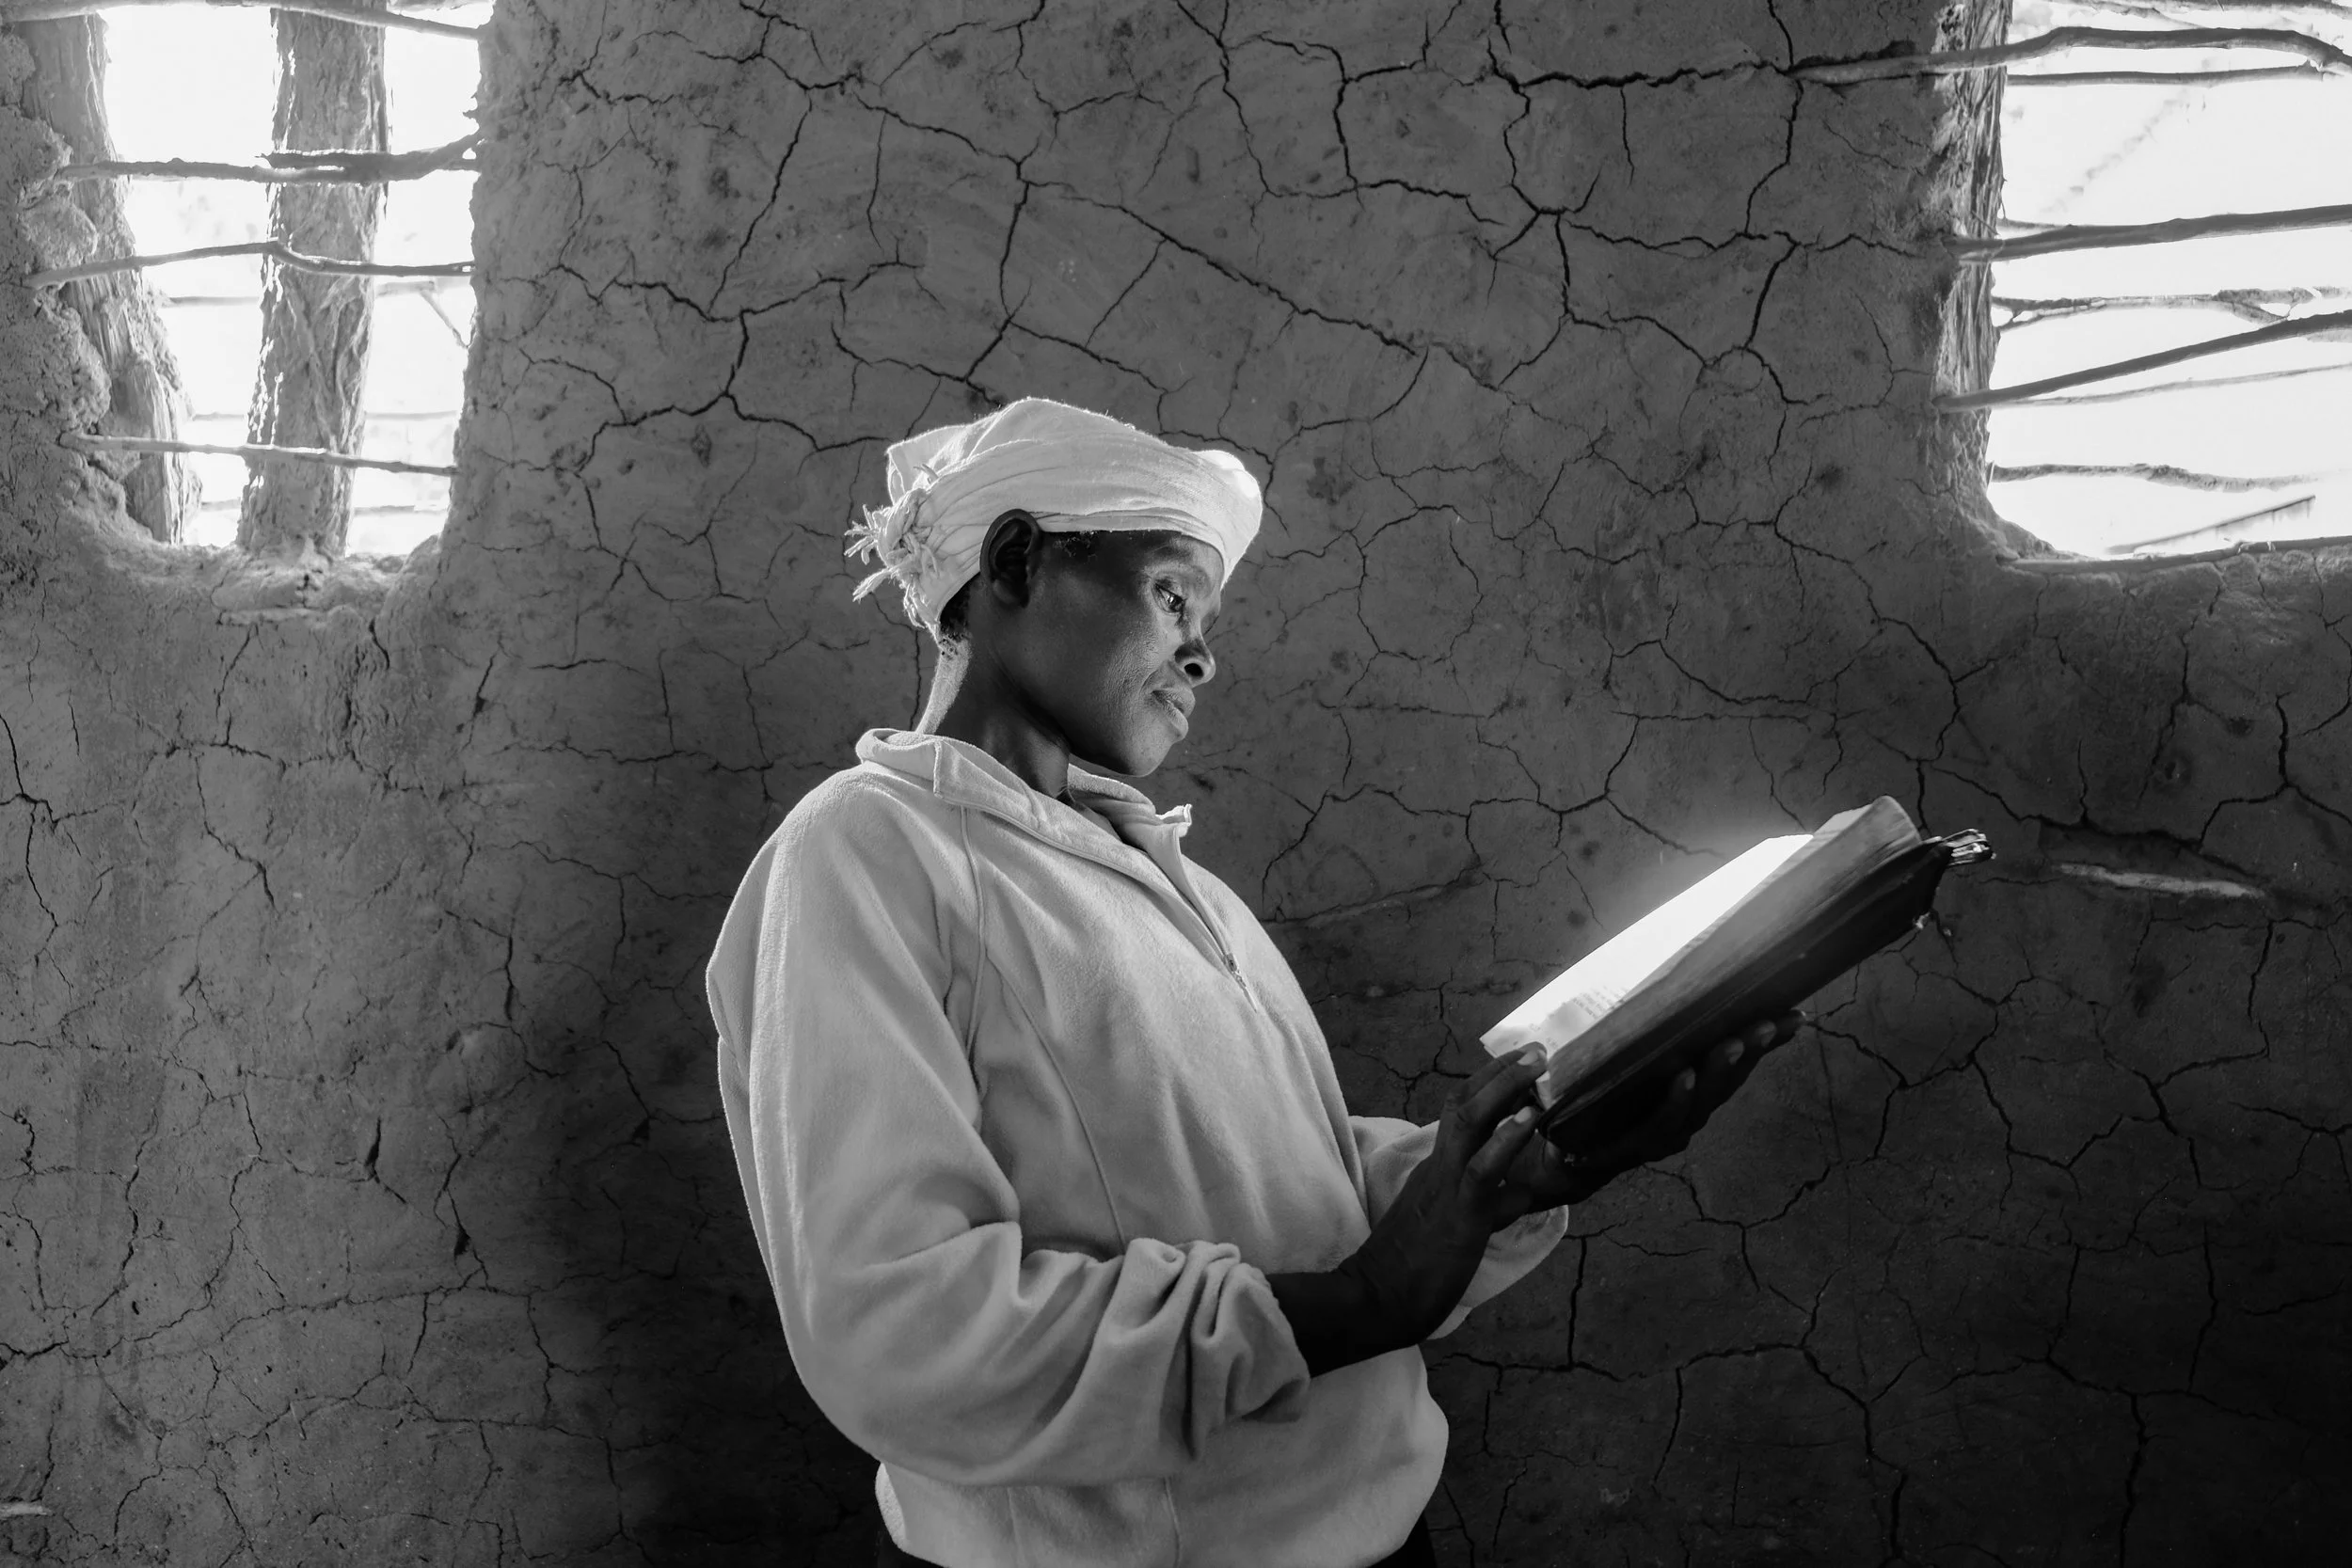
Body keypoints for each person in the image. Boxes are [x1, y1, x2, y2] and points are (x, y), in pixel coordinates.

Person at [705, 398, 1797, 1568]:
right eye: (1172, 594)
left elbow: (1281, 1194)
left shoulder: (1182, 888)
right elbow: (903, 1330)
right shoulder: (866, 852)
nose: (1202, 651)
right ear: (1016, 561)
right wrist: (1368, 1299)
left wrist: (1514, 1159)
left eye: (1207, 616)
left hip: (1371, 1534)